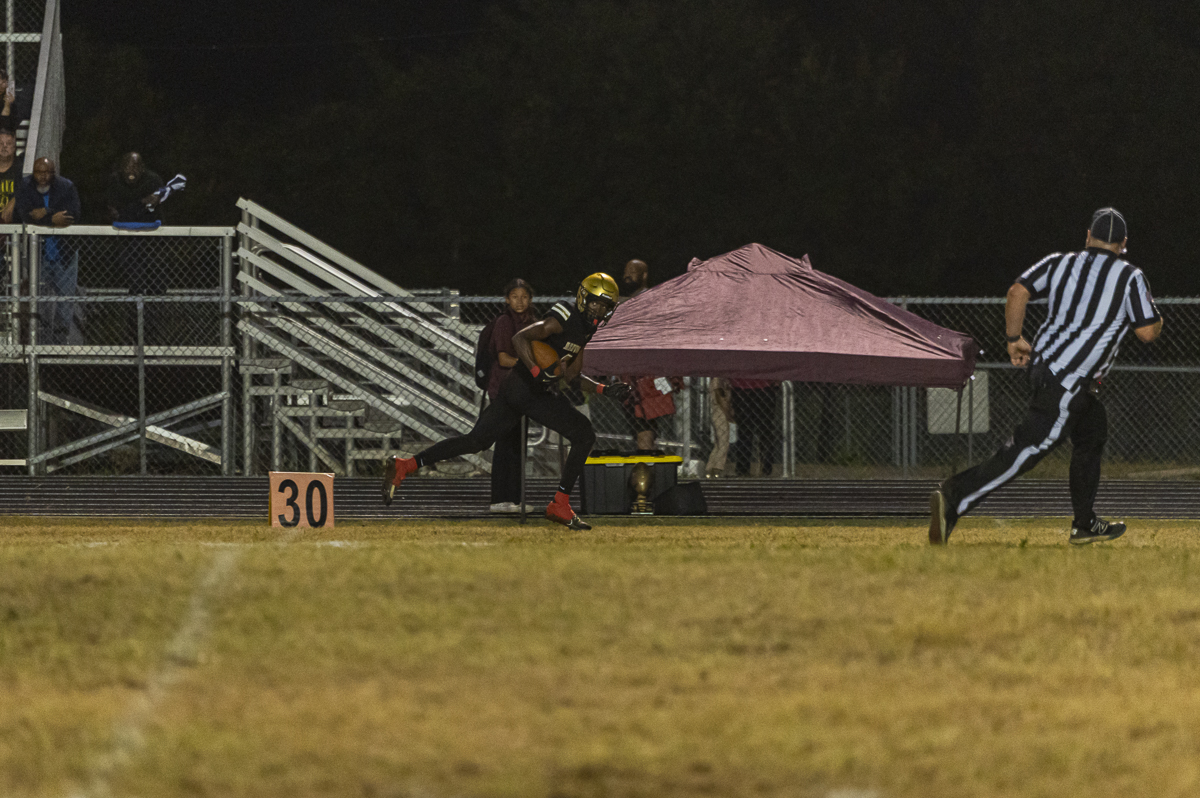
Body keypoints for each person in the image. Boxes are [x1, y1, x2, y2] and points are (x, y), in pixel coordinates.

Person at [929, 207, 1162, 546]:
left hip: (1045, 367)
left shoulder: (1060, 262)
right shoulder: (1130, 277)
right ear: (1123, 243)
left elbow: (1017, 292)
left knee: (1092, 431)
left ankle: (1084, 523)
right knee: (1028, 449)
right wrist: (1155, 316)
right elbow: (1147, 332)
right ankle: (954, 498)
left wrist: (1013, 339)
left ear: (1088, 236)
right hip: (1068, 380)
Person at [382, 273, 634, 529]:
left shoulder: (586, 329)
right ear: (583, 298)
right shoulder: (564, 317)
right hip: (525, 388)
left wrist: (604, 389)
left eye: (604, 305)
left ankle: (406, 465)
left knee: (476, 441)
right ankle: (559, 503)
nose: (598, 309)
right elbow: (519, 339)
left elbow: (571, 376)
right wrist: (536, 370)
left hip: (521, 390)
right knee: (583, 433)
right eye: (595, 302)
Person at [485, 278, 538, 513]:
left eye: (524, 297)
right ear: (507, 299)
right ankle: (499, 499)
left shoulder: (533, 322)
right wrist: (530, 366)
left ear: (531, 299)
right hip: (503, 390)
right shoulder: (504, 322)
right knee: (505, 443)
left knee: (519, 444)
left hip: (521, 389)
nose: (520, 301)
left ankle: (515, 499)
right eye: (515, 297)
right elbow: (503, 358)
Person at [616, 258, 680, 453]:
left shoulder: (649, 301)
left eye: (632, 272)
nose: (627, 276)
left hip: (648, 376)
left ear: (644, 275)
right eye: (625, 272)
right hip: (632, 376)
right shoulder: (629, 303)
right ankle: (647, 459)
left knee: (644, 424)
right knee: (640, 426)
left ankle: (645, 462)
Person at [15, 157, 81, 344]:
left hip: (64, 254)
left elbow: (73, 214)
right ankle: (40, 345)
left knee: (65, 302)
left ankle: (59, 346)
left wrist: (45, 213)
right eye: (39, 172)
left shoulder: (66, 187)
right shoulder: (26, 186)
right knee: (38, 301)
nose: (43, 176)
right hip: (38, 255)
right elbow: (24, 214)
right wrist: (52, 219)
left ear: (53, 173)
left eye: (47, 172)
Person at [105, 153, 167, 340]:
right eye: (127, 166)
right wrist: (136, 206)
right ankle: (133, 334)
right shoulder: (114, 181)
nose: (131, 170)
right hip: (127, 242)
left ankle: (152, 335)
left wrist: (153, 201)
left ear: (142, 168)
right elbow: (113, 210)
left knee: (156, 288)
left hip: (152, 242)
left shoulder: (153, 180)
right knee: (135, 286)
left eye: (135, 166)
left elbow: (158, 205)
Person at [729, 378, 781, 476]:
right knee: (759, 431)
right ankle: (761, 468)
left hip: (746, 387)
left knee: (750, 432)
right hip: (753, 387)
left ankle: (747, 468)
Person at [706, 377, 732, 478]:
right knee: (724, 443)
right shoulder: (718, 379)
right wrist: (727, 413)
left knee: (718, 443)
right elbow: (720, 397)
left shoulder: (719, 379)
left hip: (717, 412)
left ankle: (710, 467)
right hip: (720, 412)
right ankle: (718, 468)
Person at [0, 129, 18, 223]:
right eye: (0, 143)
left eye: (9, 143)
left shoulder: (20, 169)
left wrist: (15, 199)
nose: (4, 146)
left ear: (14, 147)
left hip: (13, 224)